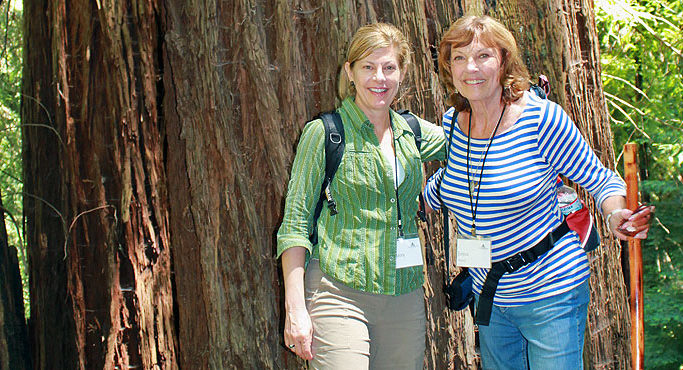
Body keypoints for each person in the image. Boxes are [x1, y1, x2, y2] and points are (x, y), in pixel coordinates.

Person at [423, 15, 654, 370]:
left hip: (551, 293)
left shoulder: (539, 119)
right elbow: (458, 182)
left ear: (503, 61)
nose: (471, 67)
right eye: (459, 57)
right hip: (491, 295)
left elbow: (602, 180)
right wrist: (406, 196)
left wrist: (614, 215)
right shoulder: (453, 123)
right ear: (448, 68)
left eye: (483, 56)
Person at [277, 23, 447, 369]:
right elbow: (294, 224)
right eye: (368, 67)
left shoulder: (412, 132)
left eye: (389, 67)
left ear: (402, 73)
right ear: (349, 72)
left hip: (404, 294)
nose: (379, 78)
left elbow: (474, 144)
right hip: (338, 291)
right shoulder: (325, 133)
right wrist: (295, 309)